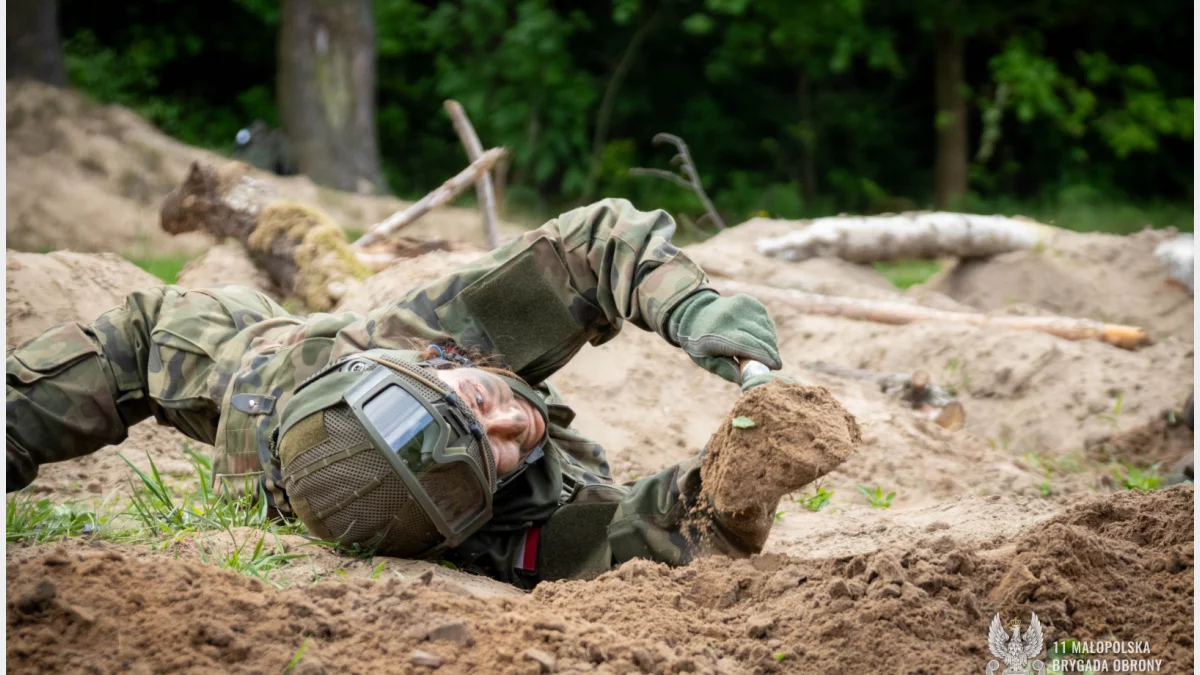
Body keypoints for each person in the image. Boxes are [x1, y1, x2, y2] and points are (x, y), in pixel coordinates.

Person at [7, 199, 787, 588]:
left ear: (440, 360)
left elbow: (598, 242)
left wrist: (706, 318)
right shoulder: (513, 526)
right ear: (472, 514)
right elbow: (666, 538)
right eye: (501, 452)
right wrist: (751, 469)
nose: (517, 417)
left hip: (283, 374)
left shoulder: (425, 336)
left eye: (482, 402)